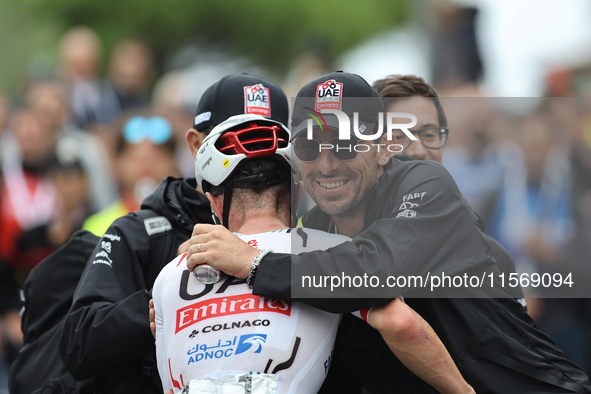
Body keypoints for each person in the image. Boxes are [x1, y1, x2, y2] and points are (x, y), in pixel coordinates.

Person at [184, 71, 591, 393]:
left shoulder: (425, 184)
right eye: (310, 148)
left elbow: (373, 274)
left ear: (382, 147)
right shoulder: (314, 233)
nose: (326, 165)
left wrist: (252, 261)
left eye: (344, 145)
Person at [153, 113, 474, 394]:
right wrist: (462, 390)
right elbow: (401, 324)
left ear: (214, 201)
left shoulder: (171, 274)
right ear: (298, 193)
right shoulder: (326, 248)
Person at [59, 74, 290, 394]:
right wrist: (167, 293)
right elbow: (78, 343)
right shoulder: (139, 233)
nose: (254, 156)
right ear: (196, 145)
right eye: (236, 141)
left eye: (271, 142)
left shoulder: (301, 232)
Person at [82, 114, 180, 236]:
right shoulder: (96, 227)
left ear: (174, 163)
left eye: (158, 155)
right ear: (116, 164)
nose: (147, 162)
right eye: (134, 157)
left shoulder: (189, 222)